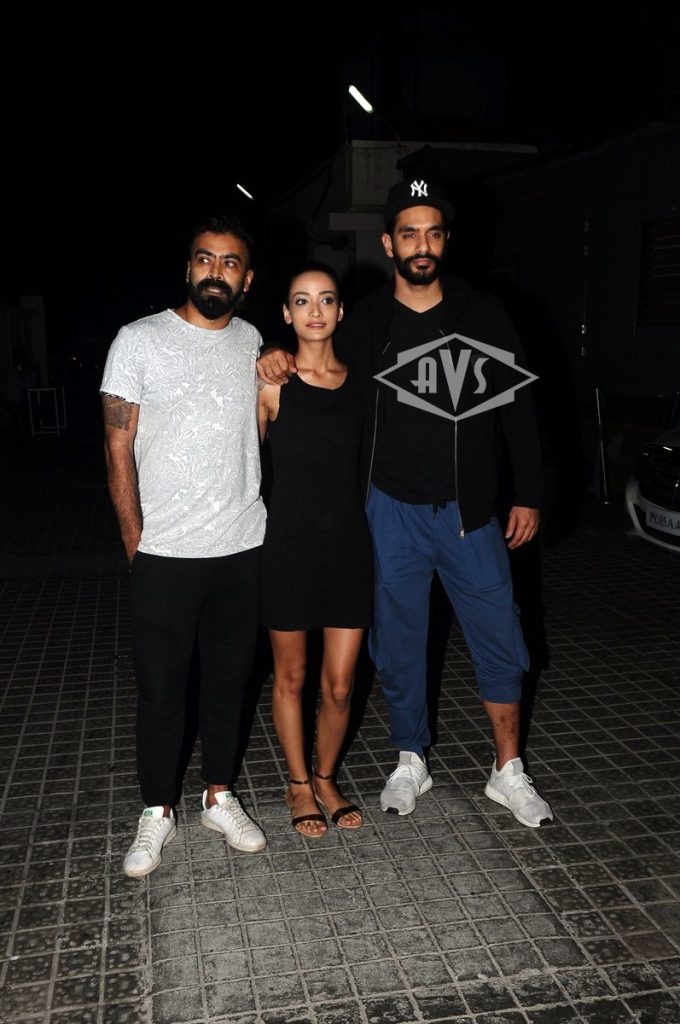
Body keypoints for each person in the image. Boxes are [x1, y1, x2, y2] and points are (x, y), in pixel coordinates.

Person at [257, 179, 553, 829]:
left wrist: (528, 490)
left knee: (500, 637)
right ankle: (410, 756)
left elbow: (518, 406)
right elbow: (315, 355)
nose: (422, 245)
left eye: (433, 232)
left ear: (445, 241)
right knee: (398, 642)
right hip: (388, 510)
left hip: (470, 511)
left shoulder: (484, 313)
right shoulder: (366, 322)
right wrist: (273, 353)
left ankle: (508, 769)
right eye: (408, 233)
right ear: (389, 243)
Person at [101, 214, 268, 878]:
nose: (216, 272)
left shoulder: (252, 341)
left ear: (247, 280)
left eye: (230, 263)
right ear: (188, 268)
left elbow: (261, 428)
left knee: (229, 683)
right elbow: (116, 445)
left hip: (242, 547)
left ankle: (219, 796)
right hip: (165, 553)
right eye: (205, 259)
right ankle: (156, 809)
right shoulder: (138, 340)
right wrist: (134, 541)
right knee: (162, 691)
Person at [258, 263, 372, 837]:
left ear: (340, 311)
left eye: (326, 299)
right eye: (301, 301)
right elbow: (240, 464)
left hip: (349, 548)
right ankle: (298, 783)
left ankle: (326, 777)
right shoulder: (271, 385)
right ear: (286, 313)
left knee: (340, 684)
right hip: (288, 548)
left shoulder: (362, 384)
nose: (315, 310)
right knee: (292, 676)